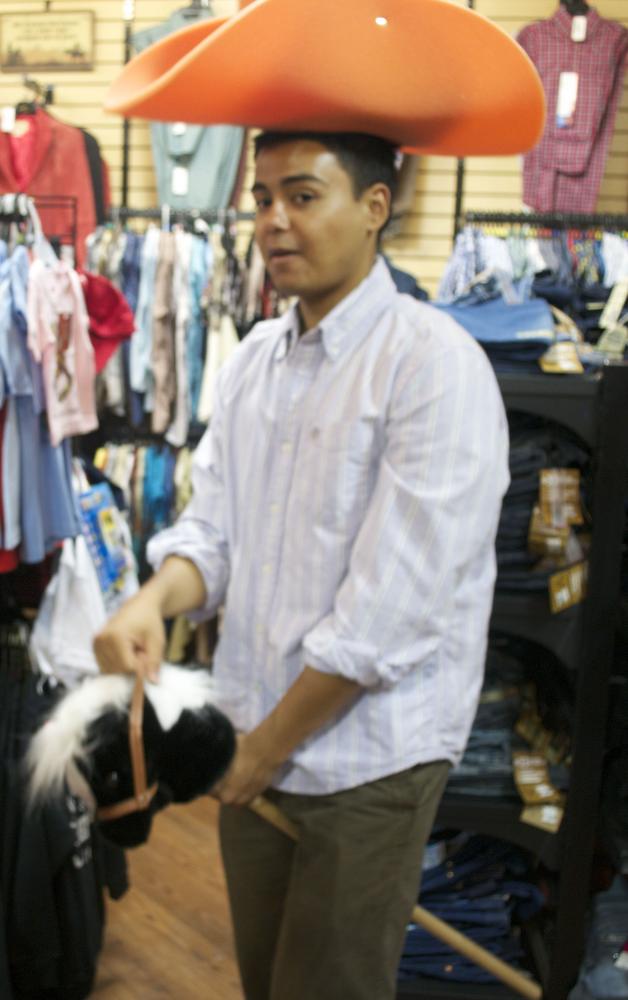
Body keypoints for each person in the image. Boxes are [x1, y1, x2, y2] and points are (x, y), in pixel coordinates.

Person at [93, 130, 510, 1000]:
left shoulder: (434, 365)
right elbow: (215, 531)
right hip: (254, 737)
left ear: (375, 207)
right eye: (262, 198)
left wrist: (263, 750)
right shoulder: (254, 360)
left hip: (366, 762)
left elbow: (386, 615)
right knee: (268, 978)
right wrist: (152, 602)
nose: (274, 220)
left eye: (304, 196)